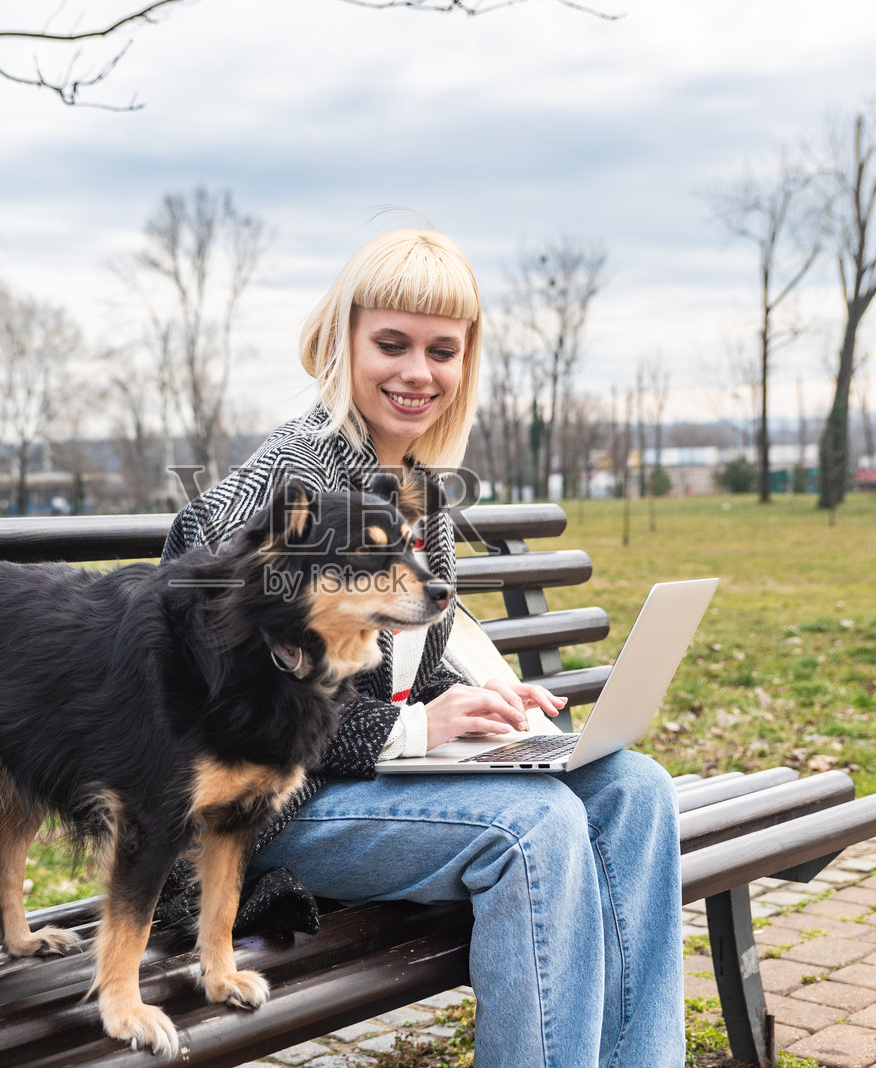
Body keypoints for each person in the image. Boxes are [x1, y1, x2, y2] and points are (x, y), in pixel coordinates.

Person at [160, 229, 684, 1068]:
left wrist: (482, 711)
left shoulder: (416, 493)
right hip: (256, 820)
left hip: (358, 782)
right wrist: (411, 733)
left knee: (634, 789)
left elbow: (401, 661)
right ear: (344, 342)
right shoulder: (284, 493)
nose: (418, 372)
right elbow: (226, 708)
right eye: (391, 344)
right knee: (533, 827)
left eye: (442, 350)